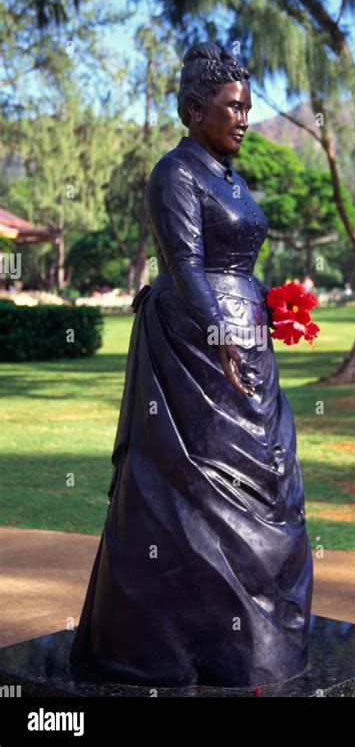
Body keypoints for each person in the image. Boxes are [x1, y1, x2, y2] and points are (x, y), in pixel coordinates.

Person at [69, 42, 313, 689]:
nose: (243, 117)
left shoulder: (229, 175)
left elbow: (237, 264)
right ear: (192, 109)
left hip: (243, 340)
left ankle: (254, 649)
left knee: (269, 481)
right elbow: (184, 263)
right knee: (195, 489)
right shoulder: (175, 173)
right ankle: (177, 650)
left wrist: (270, 307)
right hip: (194, 351)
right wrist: (223, 337)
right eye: (232, 107)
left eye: (247, 107)